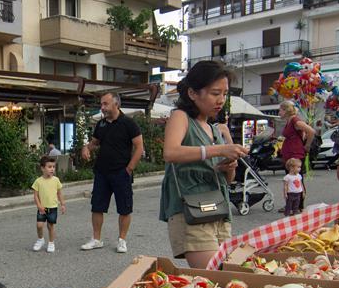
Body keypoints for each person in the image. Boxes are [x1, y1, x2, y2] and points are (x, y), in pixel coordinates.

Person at [160, 60, 248, 269]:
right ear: (192, 93)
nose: (221, 100)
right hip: (193, 210)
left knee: (224, 277)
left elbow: (227, 180)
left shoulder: (213, 128)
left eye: (225, 94)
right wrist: (220, 150)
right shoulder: (180, 117)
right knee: (214, 275)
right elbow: (170, 152)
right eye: (215, 93)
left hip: (218, 210)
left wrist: (228, 166)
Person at [80, 92, 144, 253]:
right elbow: (95, 143)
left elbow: (139, 147)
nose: (102, 107)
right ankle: (96, 239)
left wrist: (129, 168)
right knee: (97, 207)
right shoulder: (101, 124)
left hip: (121, 173)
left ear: (116, 104)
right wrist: (86, 148)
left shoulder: (129, 124)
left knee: (124, 208)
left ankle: (122, 240)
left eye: (105, 104)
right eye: (101, 104)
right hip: (102, 172)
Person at [278, 100, 315, 211]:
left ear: (286, 110)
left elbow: (311, 131)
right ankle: (292, 204)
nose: (279, 112)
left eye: (280, 110)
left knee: (296, 180)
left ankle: (298, 205)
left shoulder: (295, 120)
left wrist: (307, 145)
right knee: (291, 180)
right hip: (290, 153)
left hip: (295, 154)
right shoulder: (290, 121)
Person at [31, 155, 67, 253]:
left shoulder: (56, 180)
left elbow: (59, 193)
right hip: (42, 208)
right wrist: (39, 206)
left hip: (53, 207)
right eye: (49, 167)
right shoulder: (38, 181)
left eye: (53, 167)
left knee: (50, 226)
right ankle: (40, 240)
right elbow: (35, 196)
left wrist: (63, 204)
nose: (52, 169)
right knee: (39, 225)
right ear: (42, 168)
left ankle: (51, 243)